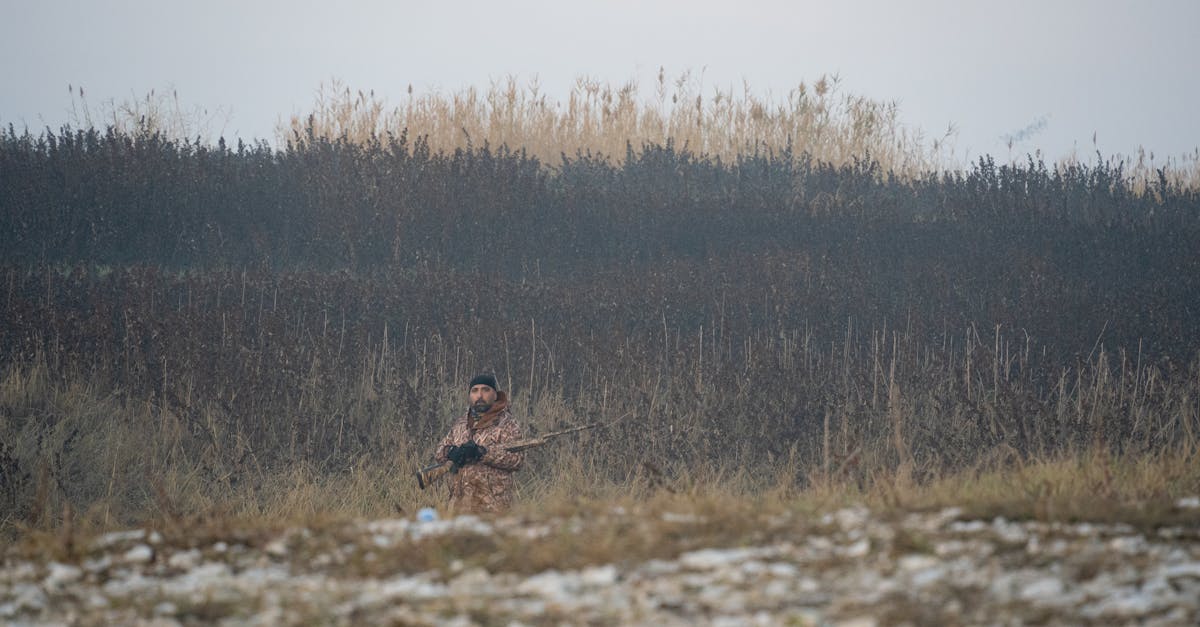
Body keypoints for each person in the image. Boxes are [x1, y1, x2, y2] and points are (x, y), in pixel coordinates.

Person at [433, 373, 524, 514]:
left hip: (493, 508)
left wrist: (482, 453)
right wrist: (450, 452)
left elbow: (517, 460)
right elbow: (439, 452)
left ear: (495, 394)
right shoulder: (461, 424)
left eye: (485, 390)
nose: (480, 395)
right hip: (458, 507)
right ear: (469, 395)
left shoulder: (507, 424)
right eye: (475, 391)